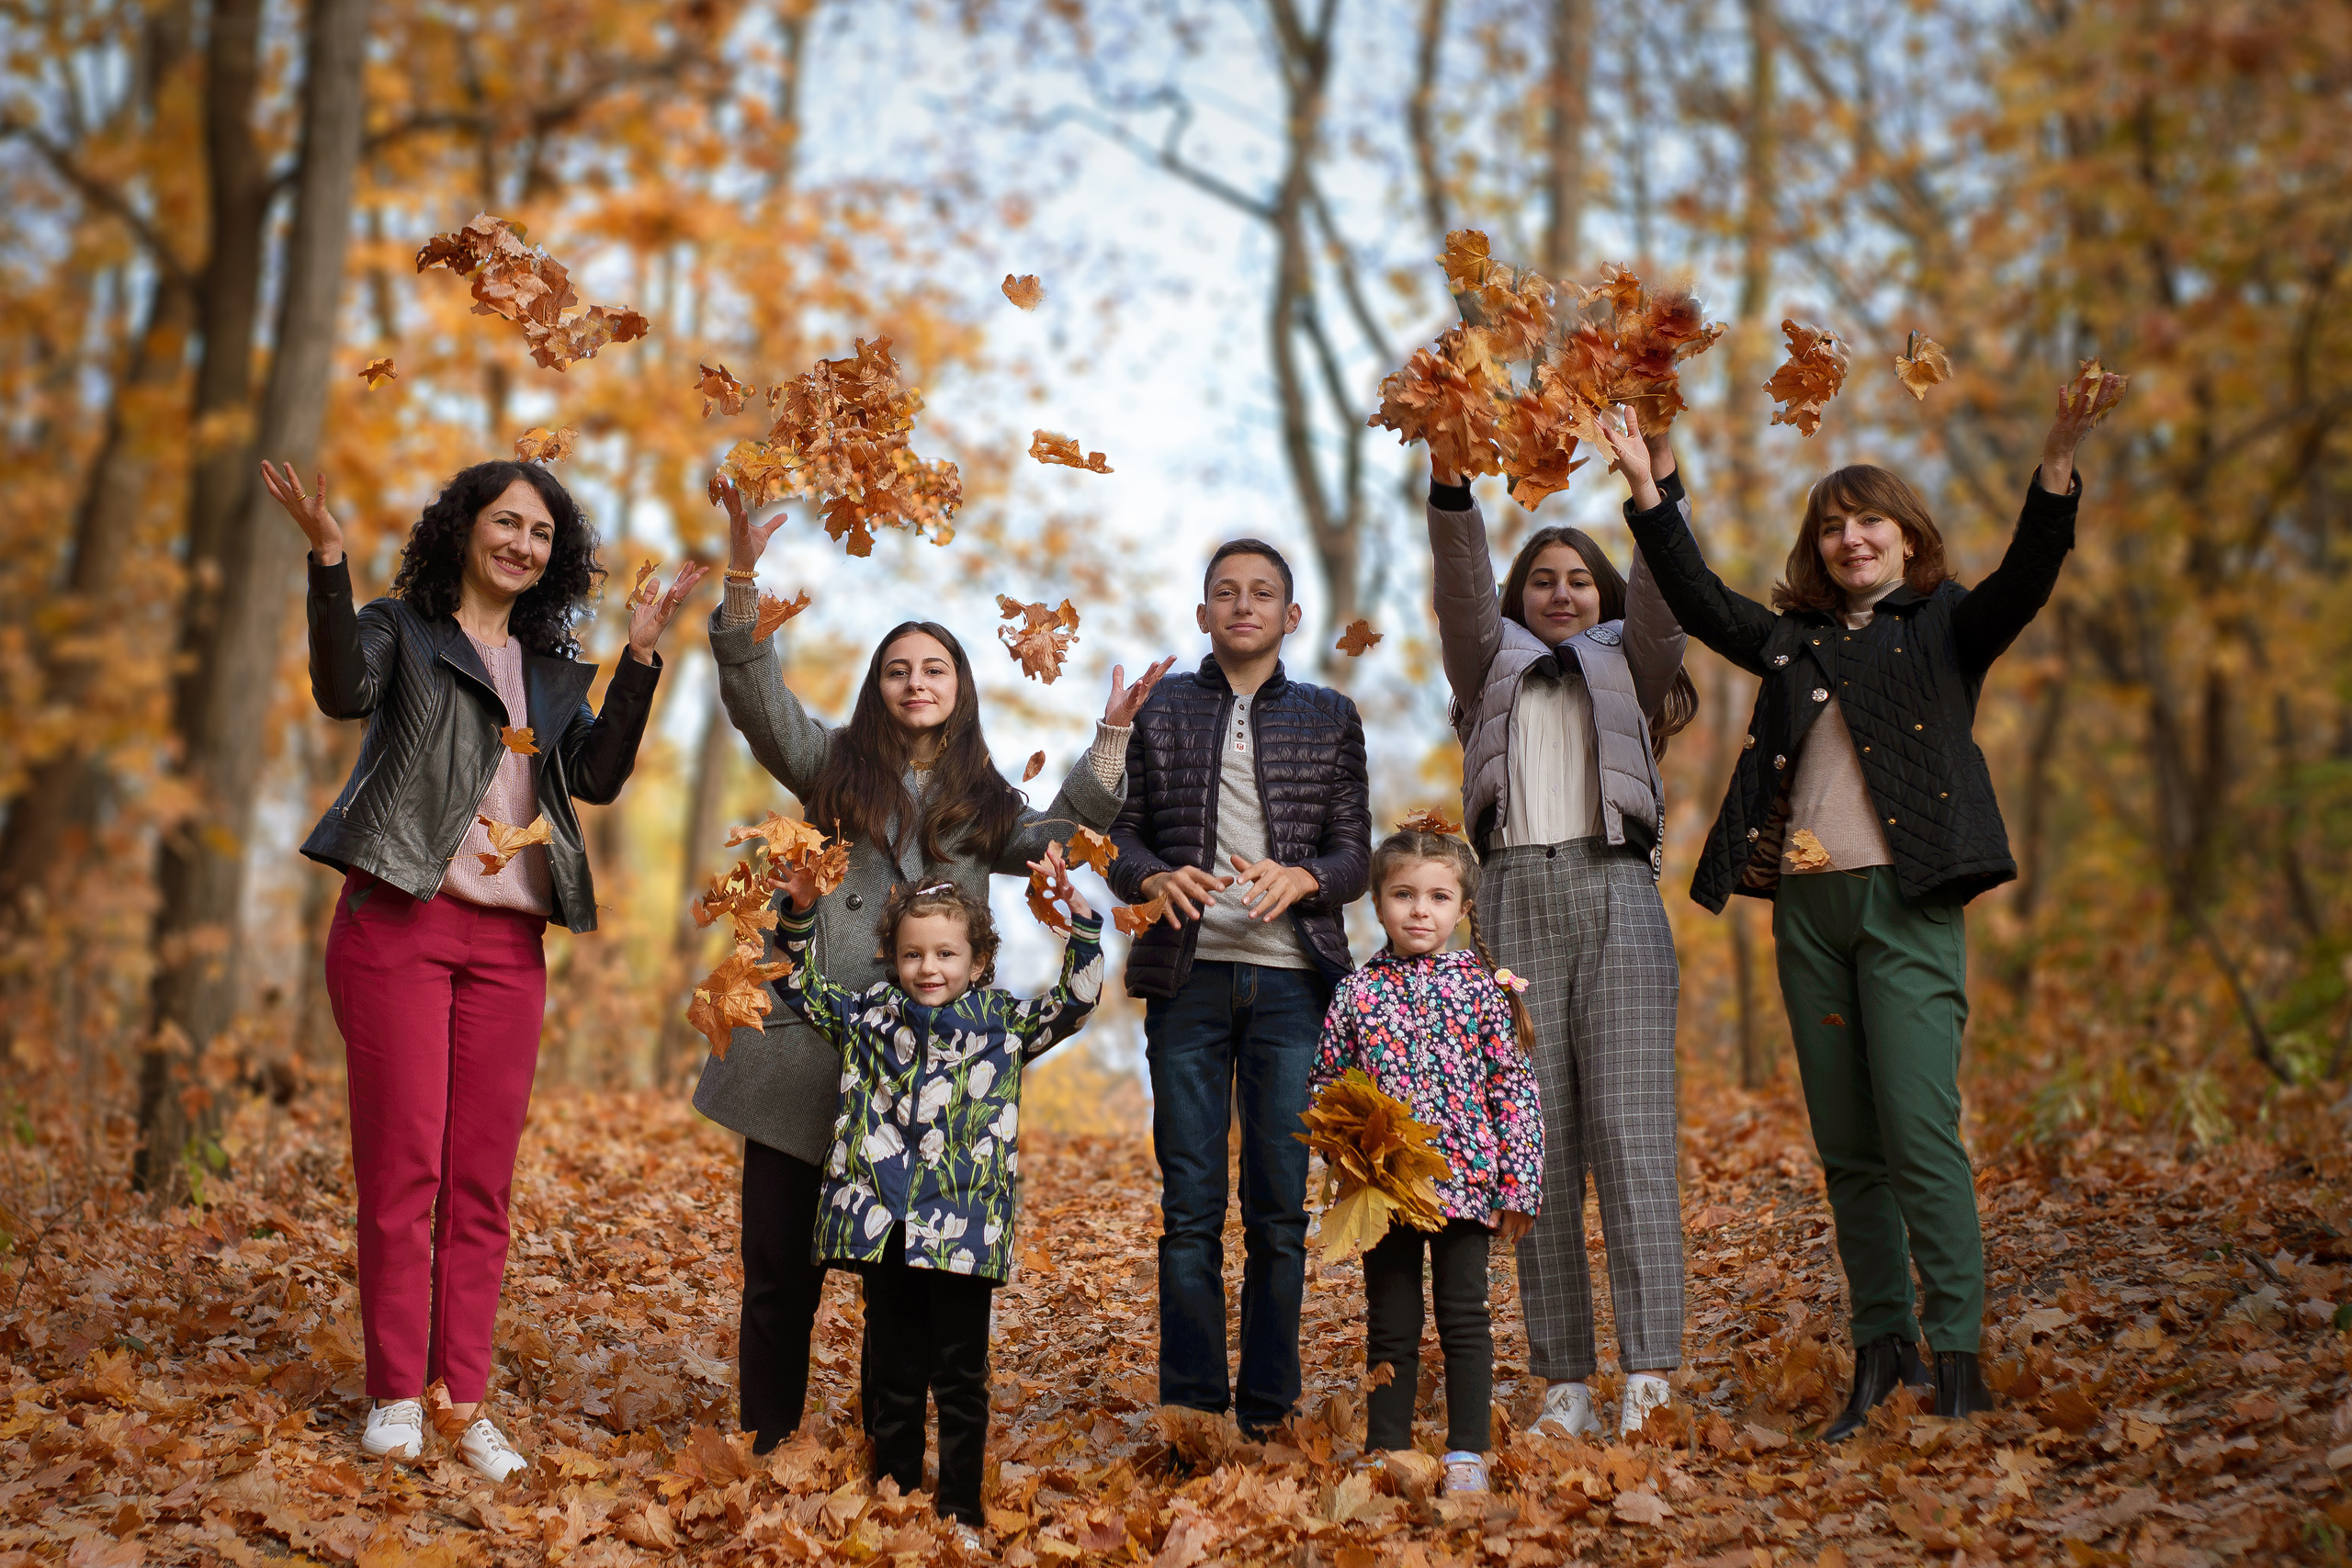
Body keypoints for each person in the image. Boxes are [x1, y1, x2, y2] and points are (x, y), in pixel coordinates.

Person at [1612, 365, 2127, 1435]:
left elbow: (2029, 575)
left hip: (1908, 907)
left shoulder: (1945, 630)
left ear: (1904, 536)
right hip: (1809, 915)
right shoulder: (1791, 642)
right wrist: (1651, 483)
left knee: (1918, 1137)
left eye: (1871, 524)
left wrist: (2057, 463)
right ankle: (1878, 1353)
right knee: (1848, 1148)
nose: (1853, 541)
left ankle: (1958, 1358)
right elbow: (1703, 602)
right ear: (1818, 549)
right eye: (1834, 527)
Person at [694, 474, 1171, 1452]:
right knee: (779, 1271)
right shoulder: (829, 767)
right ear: (879, 688)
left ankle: (889, 1457)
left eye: (935, 670)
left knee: (897, 1287)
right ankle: (767, 1445)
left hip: (918, 1079)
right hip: (805, 1051)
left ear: (959, 692)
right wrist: (744, 579)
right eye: (899, 669)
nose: (916, 682)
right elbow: (755, 701)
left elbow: (1064, 833)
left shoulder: (985, 807)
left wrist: (1111, 736)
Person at [265, 457, 700, 1479]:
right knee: (403, 1170)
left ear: (555, 556)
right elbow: (340, 690)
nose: (522, 543)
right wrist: (328, 559)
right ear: (464, 528)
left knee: (480, 1185)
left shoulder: (551, 669)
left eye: (541, 533)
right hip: (399, 924)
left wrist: (638, 658)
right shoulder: (401, 627)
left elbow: (592, 777)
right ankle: (393, 1395)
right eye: (506, 523)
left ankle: (461, 1400)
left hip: (509, 944)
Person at [1424, 439, 1697, 1438]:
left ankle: (1651, 1375)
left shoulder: (1632, 658)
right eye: (1541, 580)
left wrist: (1650, 489)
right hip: (1512, 906)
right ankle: (1567, 1384)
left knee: (1629, 1139)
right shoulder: (1485, 659)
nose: (1560, 592)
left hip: (1617, 893)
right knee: (1534, 1152)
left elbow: (1666, 595)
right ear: (1518, 596)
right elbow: (1460, 590)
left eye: (1579, 579)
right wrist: (1452, 488)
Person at [1107, 538, 1372, 1439]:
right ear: (1202, 615)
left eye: (1263, 593)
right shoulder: (1161, 710)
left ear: (1289, 617)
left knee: (1277, 1210)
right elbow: (1118, 835)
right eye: (1225, 592)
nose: (1244, 604)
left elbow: (1353, 853)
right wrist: (1147, 880)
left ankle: (1266, 1409)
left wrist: (1306, 880)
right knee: (1188, 1207)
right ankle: (1190, 1405)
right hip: (1187, 984)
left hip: (1293, 988)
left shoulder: (1332, 715)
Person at [772, 852, 1103, 1543]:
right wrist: (799, 912)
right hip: (883, 1225)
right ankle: (893, 1490)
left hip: (964, 1228)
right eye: (914, 953)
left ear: (978, 960)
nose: (930, 968)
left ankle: (959, 1508)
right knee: (892, 1367)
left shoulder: (1002, 1026)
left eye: (947, 953)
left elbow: (1074, 1001)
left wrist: (1084, 927)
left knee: (959, 1373)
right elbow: (797, 986)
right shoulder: (869, 1018)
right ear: (893, 958)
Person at [1311, 824, 1544, 1493]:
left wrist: (1517, 1185)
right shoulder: (1357, 993)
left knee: (1464, 1314)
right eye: (1404, 894)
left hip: (1467, 1186)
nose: (1421, 909)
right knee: (1391, 1320)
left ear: (1462, 908)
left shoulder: (1483, 991)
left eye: (1438, 896)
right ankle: (1389, 1446)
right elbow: (1328, 1085)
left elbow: (1514, 1092)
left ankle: (1467, 1450)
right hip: (1385, 1190)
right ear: (1379, 904)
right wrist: (1344, 1158)